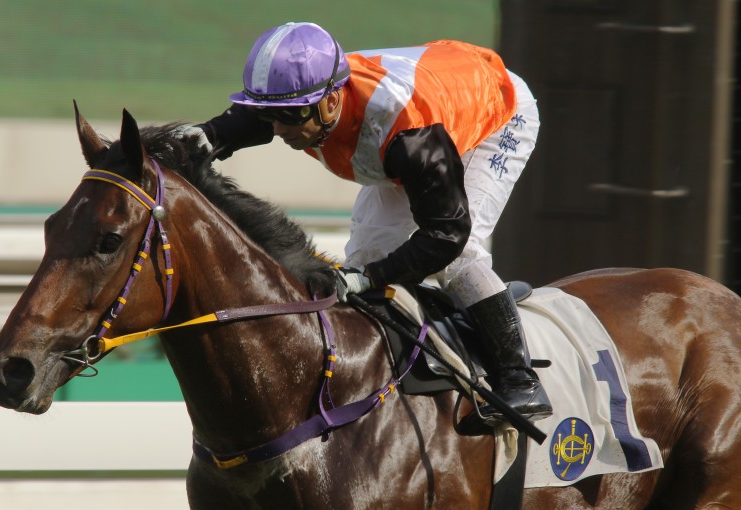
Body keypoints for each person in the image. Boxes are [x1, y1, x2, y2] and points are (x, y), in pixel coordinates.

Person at [172, 21, 551, 428]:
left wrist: (370, 277)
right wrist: (210, 134)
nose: (277, 128)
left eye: (288, 116)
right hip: (432, 99)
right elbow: (260, 115)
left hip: (496, 114)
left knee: (458, 256)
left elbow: (447, 235)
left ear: (331, 102)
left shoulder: (408, 134)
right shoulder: (307, 101)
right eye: (270, 115)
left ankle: (520, 379)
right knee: (368, 255)